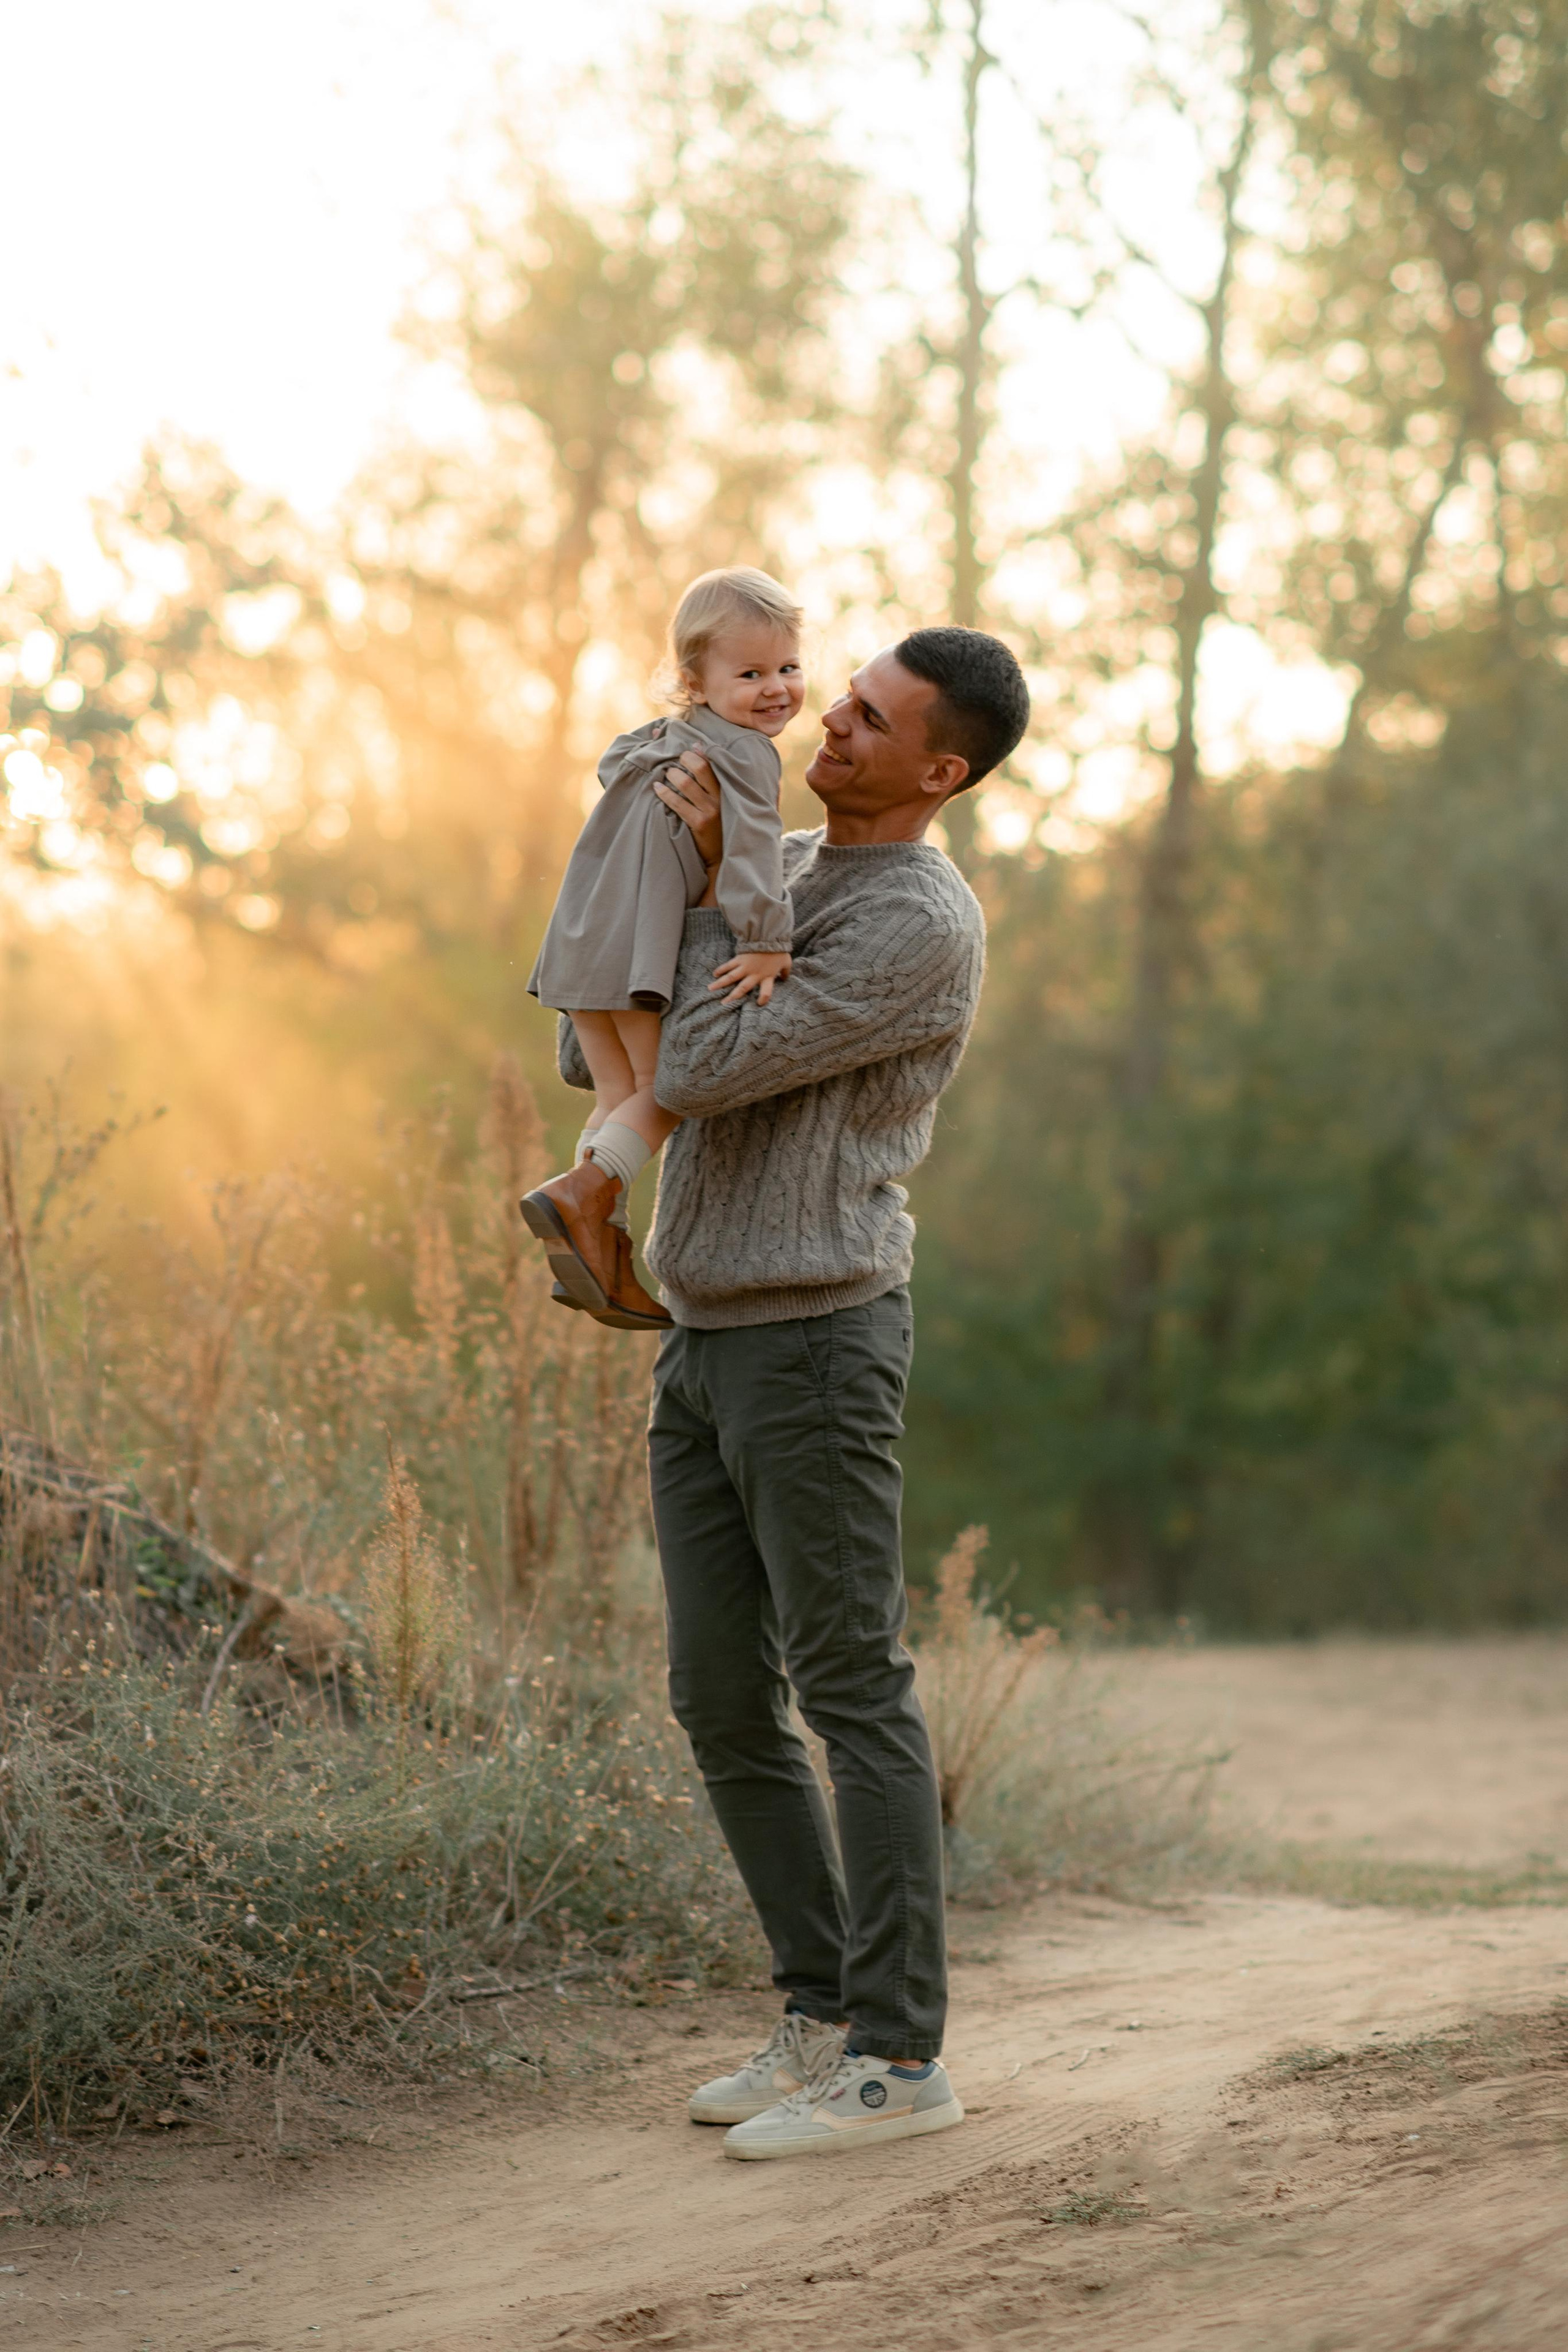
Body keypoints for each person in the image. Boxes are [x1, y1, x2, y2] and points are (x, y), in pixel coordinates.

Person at [555, 625, 1030, 2159]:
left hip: (817, 1336)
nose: (827, 719)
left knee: (847, 1687)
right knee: (715, 1692)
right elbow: (613, 1057)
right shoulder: (792, 867)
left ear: (936, 770)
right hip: (704, 1329)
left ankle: (899, 2056)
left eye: (872, 718)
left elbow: (689, 1051)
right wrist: (681, 868)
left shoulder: (917, 924)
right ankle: (820, 2013)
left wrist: (699, 890)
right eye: (841, 693)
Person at [521, 567, 805, 1329]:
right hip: (637, 947)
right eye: (750, 673)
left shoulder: (646, 740)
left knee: (616, 1096)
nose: (775, 688)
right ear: (693, 678)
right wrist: (767, 942)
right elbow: (753, 849)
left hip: (578, 943)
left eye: (788, 667)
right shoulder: (746, 753)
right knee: (663, 1089)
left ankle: (594, 1247)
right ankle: (573, 1202)